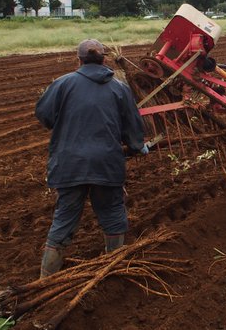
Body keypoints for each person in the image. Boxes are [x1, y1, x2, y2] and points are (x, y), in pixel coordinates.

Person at [35, 38, 148, 278]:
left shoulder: (62, 84)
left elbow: (44, 116)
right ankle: (113, 269)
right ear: (105, 59)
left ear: (78, 60)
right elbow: (133, 125)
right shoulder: (119, 88)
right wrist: (137, 146)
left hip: (69, 165)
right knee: (112, 213)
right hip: (106, 164)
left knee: (64, 218)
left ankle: (45, 278)